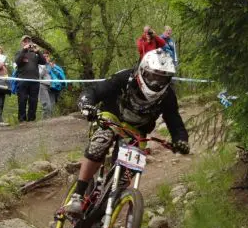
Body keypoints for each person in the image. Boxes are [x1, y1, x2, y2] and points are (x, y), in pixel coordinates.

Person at [65, 49, 190, 215]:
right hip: (111, 117)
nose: (156, 83)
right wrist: (87, 104)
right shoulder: (125, 78)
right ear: (142, 71)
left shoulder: (167, 96)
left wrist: (181, 140)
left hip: (137, 130)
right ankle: (78, 195)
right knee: (101, 141)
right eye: (153, 76)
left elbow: (174, 120)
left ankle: (104, 211)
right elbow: (95, 91)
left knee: (127, 173)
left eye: (162, 78)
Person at [14, 35, 46, 122]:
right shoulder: (19, 52)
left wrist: (38, 51)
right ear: (22, 43)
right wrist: (24, 49)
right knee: (22, 100)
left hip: (34, 80)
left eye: (29, 41)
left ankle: (31, 119)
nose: (27, 42)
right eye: (25, 41)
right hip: (22, 80)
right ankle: (22, 119)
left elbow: (44, 62)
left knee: (33, 100)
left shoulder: (35, 54)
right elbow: (17, 61)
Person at [39, 51, 66, 119]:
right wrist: (45, 66)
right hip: (43, 85)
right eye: (44, 56)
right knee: (46, 105)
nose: (45, 58)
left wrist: (53, 68)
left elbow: (62, 77)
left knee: (51, 105)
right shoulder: (39, 65)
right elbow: (39, 76)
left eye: (47, 56)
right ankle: (45, 121)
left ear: (49, 57)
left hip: (53, 87)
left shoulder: (54, 66)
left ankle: (49, 121)